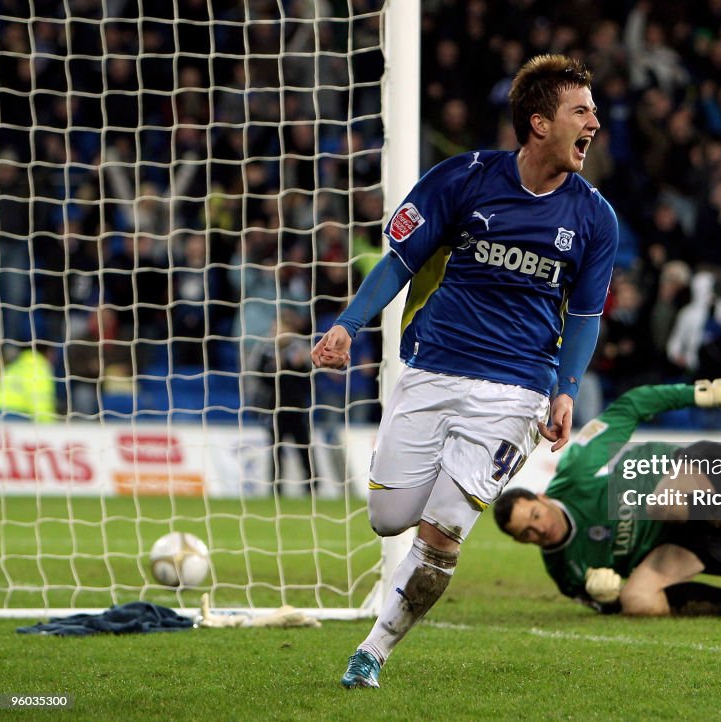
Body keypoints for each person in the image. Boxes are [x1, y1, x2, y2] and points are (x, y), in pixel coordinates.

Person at [311, 55, 619, 689]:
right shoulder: (462, 179)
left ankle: (372, 651)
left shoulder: (594, 218)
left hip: (517, 390)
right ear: (539, 122)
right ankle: (433, 499)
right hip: (434, 370)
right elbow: (399, 260)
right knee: (390, 519)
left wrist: (564, 392)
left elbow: (586, 315)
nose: (596, 120)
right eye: (580, 110)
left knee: (444, 533)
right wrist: (347, 323)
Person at [493, 378, 721, 620]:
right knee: (637, 600)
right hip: (695, 537)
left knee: (662, 503)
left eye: (535, 517)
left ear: (541, 497)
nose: (539, 531)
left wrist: (707, 393)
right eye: (527, 535)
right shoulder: (565, 571)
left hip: (710, 469)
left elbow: (632, 404)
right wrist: (604, 598)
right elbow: (605, 606)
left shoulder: (576, 469)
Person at [248, 314, 315, 496]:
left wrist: (295, 366)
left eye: (280, 329)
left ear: (289, 330)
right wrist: (273, 369)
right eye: (274, 329)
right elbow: (259, 376)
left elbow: (309, 378)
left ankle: (311, 487)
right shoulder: (265, 350)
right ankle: (276, 489)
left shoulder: (300, 349)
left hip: (297, 406)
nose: (276, 332)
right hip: (275, 406)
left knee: (304, 448)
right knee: (276, 448)